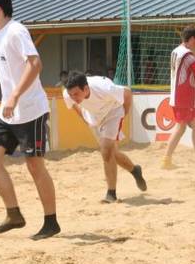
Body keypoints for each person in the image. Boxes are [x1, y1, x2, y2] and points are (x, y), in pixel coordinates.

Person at [0, 0, 60, 240]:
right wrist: (9, 99)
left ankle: (51, 222)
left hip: (31, 111)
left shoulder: (16, 30)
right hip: (8, 111)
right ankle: (14, 214)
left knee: (35, 166)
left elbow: (35, 64)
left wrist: (15, 95)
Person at [63, 71, 147, 202]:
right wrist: (85, 118)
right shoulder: (68, 94)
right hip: (94, 118)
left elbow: (128, 93)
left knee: (106, 149)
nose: (73, 97)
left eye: (76, 94)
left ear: (86, 89)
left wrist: (124, 113)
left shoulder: (104, 87)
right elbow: (73, 105)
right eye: (71, 95)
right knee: (110, 152)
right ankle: (135, 170)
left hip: (113, 112)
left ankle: (111, 194)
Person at [161, 25, 195, 169]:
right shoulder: (187, 55)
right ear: (191, 39)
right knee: (181, 128)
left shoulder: (177, 50)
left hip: (182, 95)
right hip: (183, 97)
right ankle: (166, 160)